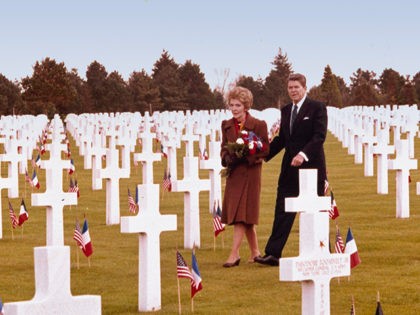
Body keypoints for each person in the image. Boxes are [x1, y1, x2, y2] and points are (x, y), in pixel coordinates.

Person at [255, 73, 328, 266]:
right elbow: (283, 139)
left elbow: (319, 136)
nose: (293, 90)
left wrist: (302, 155)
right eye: (290, 88)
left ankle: (323, 250)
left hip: (311, 168)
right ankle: (273, 253)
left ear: (305, 88)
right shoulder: (286, 110)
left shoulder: (317, 108)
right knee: (282, 209)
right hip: (289, 169)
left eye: (296, 87)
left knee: (317, 210)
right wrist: (262, 154)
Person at [220, 86, 269, 268]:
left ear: (246, 106)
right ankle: (255, 252)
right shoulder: (226, 125)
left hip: (250, 173)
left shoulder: (258, 125)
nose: (234, 109)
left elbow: (265, 149)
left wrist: (247, 155)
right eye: (231, 105)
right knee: (244, 214)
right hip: (234, 174)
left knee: (241, 215)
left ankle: (234, 254)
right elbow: (224, 147)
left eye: (238, 105)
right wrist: (227, 157)